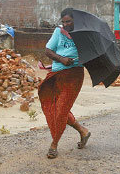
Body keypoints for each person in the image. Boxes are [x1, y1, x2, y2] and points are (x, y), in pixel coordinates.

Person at [38, 8, 91, 159]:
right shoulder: (58, 32)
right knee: (53, 106)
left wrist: (79, 59)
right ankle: (83, 131)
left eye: (69, 21)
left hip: (74, 75)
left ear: (76, 21)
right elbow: (48, 51)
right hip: (56, 74)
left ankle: (54, 144)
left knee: (61, 110)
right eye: (64, 22)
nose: (66, 24)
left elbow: (89, 54)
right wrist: (61, 59)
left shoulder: (83, 35)